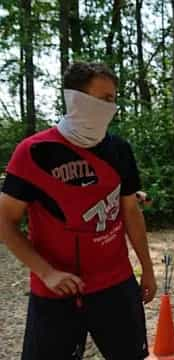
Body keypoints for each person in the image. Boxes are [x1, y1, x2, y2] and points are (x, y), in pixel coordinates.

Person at [0, 62, 157, 360]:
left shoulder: (119, 149)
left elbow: (131, 211)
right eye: (103, 99)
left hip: (116, 283)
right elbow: (5, 222)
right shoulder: (32, 152)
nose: (111, 107)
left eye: (114, 99)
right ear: (75, 99)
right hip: (56, 290)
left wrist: (147, 268)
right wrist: (46, 272)